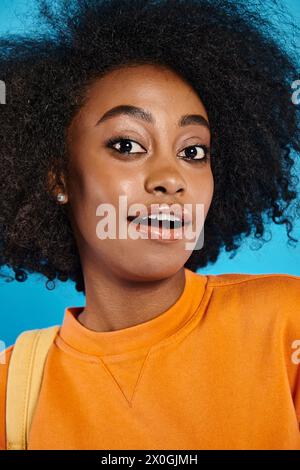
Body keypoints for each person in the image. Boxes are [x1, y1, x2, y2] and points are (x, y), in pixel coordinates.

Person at [0, 0, 300, 450]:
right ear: (59, 177)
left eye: (193, 151)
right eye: (127, 144)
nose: (170, 180)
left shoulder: (286, 323)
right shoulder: (12, 386)